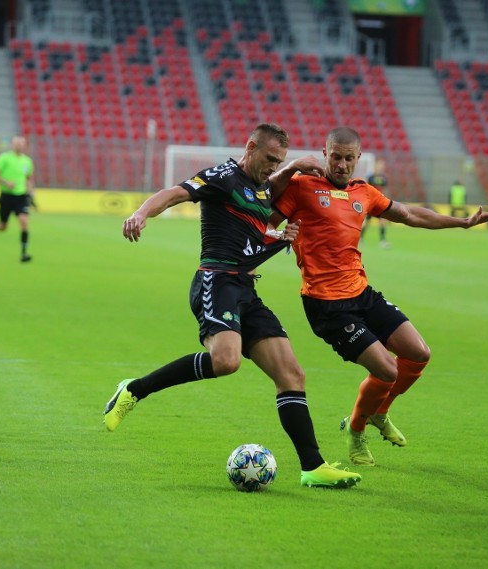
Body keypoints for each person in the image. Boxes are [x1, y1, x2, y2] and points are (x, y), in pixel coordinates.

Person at [103, 123, 362, 489]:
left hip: (245, 289)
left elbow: (253, 240)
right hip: (216, 280)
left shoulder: (261, 190)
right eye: (270, 158)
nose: (274, 166)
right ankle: (134, 390)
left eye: (280, 161)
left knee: (292, 375)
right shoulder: (222, 176)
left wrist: (278, 235)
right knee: (227, 361)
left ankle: (313, 467)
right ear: (250, 146)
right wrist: (142, 213)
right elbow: (173, 193)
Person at [270, 127, 488, 466]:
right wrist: (277, 235)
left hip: (362, 293)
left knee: (418, 354)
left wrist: (462, 222)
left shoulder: (366, 192)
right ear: (324, 153)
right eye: (336, 157)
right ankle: (357, 430)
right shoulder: (302, 187)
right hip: (326, 305)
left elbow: (409, 215)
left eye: (349, 158)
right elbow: (265, 221)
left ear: (359, 158)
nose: (343, 164)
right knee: (388, 370)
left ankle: (379, 412)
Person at [0, 136, 35, 262]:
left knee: (24, 221)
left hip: (21, 196)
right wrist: (6, 182)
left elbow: (29, 178)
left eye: (22, 144)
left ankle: (24, 253)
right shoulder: (4, 158)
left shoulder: (27, 161)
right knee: (2, 227)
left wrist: (31, 191)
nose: (20, 146)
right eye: (17, 144)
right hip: (6, 196)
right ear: (12, 145)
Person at [362, 159, 390, 248]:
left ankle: (383, 241)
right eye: (379, 165)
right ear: (375, 166)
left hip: (380, 203)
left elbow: (385, 190)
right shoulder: (370, 177)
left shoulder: (384, 178)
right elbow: (365, 189)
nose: (380, 168)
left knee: (382, 221)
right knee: (366, 222)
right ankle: (361, 239)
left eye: (382, 166)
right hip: (371, 203)